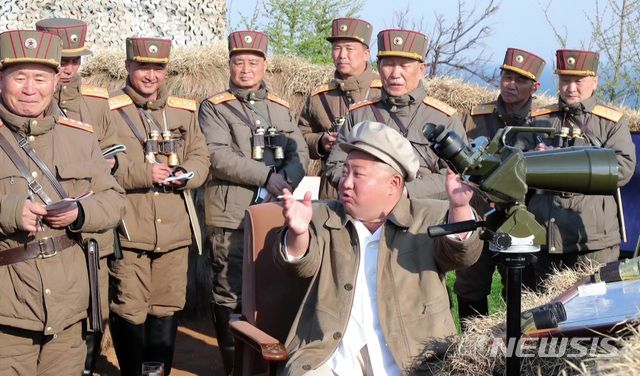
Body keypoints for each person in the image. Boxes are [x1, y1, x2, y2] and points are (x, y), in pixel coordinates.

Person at [275, 120, 482, 375]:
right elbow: (299, 265)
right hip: (333, 355)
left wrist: (459, 207)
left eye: (358, 174)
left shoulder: (427, 218)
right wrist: (298, 232)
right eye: (346, 171)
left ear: (394, 184)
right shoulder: (322, 216)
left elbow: (461, 254)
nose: (345, 182)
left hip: (414, 357)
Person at [0, 30, 126, 375]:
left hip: (69, 311)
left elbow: (114, 200)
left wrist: (80, 212)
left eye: (40, 78)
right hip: (7, 315)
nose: (30, 89)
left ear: (56, 81)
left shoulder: (80, 136)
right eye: (20, 77)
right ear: (1, 78)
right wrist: (8, 211)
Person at [198, 30, 309, 374]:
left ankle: (264, 365)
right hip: (232, 214)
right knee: (229, 291)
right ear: (229, 65)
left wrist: (285, 181)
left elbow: (299, 151)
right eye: (239, 62)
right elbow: (217, 156)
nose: (246, 69)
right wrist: (265, 177)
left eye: (253, 62)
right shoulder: (214, 107)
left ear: (264, 65)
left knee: (273, 289)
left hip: (276, 212)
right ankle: (233, 366)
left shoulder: (280, 108)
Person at [108, 37, 210, 375]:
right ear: (127, 67)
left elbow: (201, 156)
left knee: (167, 305)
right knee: (129, 307)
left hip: (175, 231)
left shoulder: (183, 110)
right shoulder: (109, 111)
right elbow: (98, 168)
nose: (151, 75)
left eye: (158, 68)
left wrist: (187, 174)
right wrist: (143, 173)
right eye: (143, 67)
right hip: (130, 230)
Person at [35, 17, 122, 374]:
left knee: (91, 311)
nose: (69, 69)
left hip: (91, 231)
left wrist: (112, 161)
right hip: (43, 236)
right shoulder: (30, 98)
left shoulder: (99, 102)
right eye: (62, 60)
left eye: (75, 61)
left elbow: (117, 147)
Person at [518, 49, 636, 286]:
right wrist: (533, 157)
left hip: (593, 240)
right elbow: (513, 164)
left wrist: (556, 163)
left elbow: (623, 168)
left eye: (579, 81)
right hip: (546, 235)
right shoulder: (539, 120)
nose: (571, 88)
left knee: (597, 311)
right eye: (565, 81)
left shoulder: (610, 122)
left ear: (595, 81)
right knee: (545, 312)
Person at [454, 48, 545, 328]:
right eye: (506, 76)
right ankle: (473, 349)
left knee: (523, 286)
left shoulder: (543, 122)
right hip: (479, 215)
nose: (511, 84)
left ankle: (517, 350)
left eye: (520, 79)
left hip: (520, 217)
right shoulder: (476, 117)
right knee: (470, 283)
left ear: (535, 86)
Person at [325, 29, 467, 200]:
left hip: (423, 215)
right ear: (379, 66)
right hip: (366, 212)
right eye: (389, 64)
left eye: (404, 66)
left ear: (422, 70)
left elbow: (459, 175)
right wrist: (367, 189)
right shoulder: (360, 114)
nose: (395, 74)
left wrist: (406, 191)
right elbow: (335, 165)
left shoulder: (443, 118)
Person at [298, 18, 381, 199]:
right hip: (331, 192)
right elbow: (300, 135)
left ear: (366, 54)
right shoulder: (319, 96)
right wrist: (321, 142)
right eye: (337, 48)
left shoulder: (382, 92)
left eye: (349, 48)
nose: (342, 55)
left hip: (374, 192)